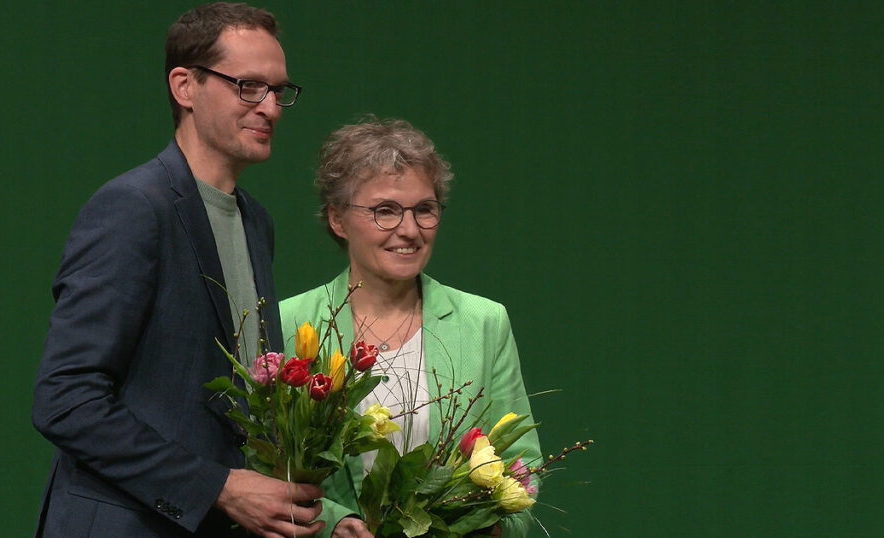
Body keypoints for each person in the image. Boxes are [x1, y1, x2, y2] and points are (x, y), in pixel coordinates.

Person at [31, 4, 324, 537]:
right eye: (248, 87)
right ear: (185, 86)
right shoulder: (132, 209)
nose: (272, 108)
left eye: (279, 90)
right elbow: (65, 400)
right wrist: (220, 487)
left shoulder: (256, 222)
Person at [278, 118, 542, 538]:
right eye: (385, 211)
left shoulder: (484, 323)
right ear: (338, 219)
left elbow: (522, 472)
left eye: (424, 209)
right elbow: (264, 471)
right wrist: (332, 523)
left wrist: (485, 525)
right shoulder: (291, 322)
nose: (409, 230)